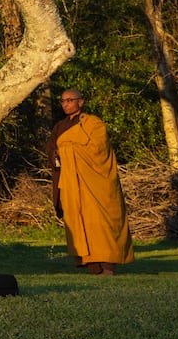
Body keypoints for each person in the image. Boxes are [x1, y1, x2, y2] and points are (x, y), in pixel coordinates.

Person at [46, 88, 134, 275]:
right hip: (71, 183)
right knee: (79, 222)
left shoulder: (93, 124)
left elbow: (99, 149)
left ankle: (108, 266)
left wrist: (68, 151)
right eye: (63, 101)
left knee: (102, 222)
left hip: (96, 184)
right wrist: (58, 154)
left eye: (70, 100)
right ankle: (92, 265)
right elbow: (52, 150)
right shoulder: (59, 126)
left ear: (81, 102)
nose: (66, 104)